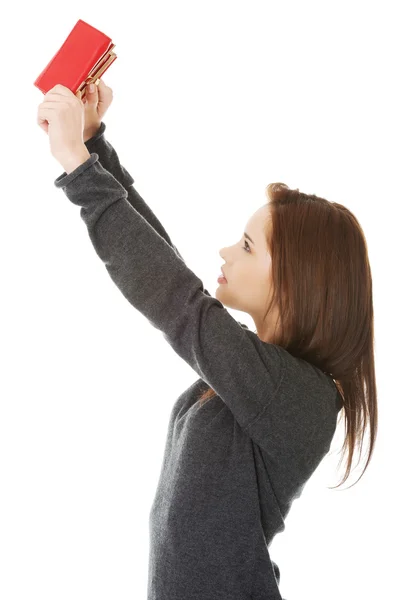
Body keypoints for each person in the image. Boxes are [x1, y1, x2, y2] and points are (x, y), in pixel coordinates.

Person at [53, 80, 377, 600]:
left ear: (293, 285)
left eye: (247, 246)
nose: (226, 251)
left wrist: (79, 169)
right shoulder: (259, 378)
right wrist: (93, 149)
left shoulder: (299, 398)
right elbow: (172, 277)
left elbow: (176, 298)